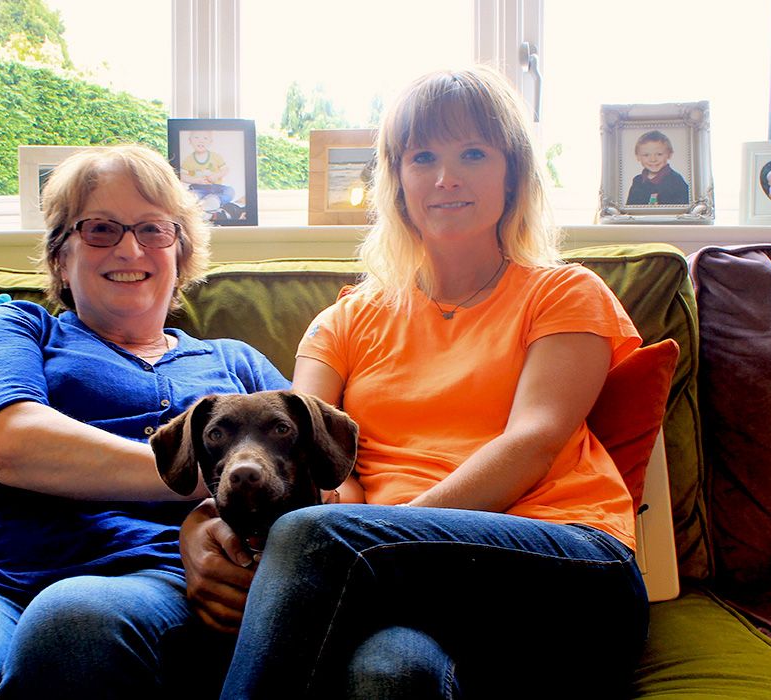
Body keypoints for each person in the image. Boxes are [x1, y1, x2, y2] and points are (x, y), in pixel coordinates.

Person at [181, 66, 650, 698]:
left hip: (566, 562)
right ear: (397, 181)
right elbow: (309, 452)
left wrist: (381, 534)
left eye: (473, 154)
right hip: (400, 580)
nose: (445, 177)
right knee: (391, 674)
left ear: (512, 173)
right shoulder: (345, 320)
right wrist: (208, 529)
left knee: (313, 538)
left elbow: (533, 441)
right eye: (422, 156)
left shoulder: (564, 293)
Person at [0, 144, 289, 700]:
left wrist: (220, 533)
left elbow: (324, 476)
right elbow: (5, 442)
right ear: (60, 256)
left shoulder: (235, 361)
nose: (131, 247)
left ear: (181, 252)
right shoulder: (17, 327)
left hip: (156, 574)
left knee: (78, 624)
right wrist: (205, 483)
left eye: (154, 229)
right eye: (101, 228)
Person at [179, 131, 238, 221]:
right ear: (190, 141)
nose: (201, 141)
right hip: (198, 188)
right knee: (189, 196)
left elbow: (225, 169)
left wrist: (216, 175)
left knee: (230, 191)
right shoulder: (188, 160)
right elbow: (182, 176)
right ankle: (206, 209)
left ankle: (213, 201)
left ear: (210, 142)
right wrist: (196, 180)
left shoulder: (215, 157)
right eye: (196, 137)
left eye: (205, 138)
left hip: (216, 188)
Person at [626, 129, 689, 205]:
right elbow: (630, 209)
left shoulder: (676, 181)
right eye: (646, 155)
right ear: (638, 157)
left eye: (659, 154)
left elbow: (684, 208)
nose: (653, 159)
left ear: (669, 154)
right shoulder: (637, 181)